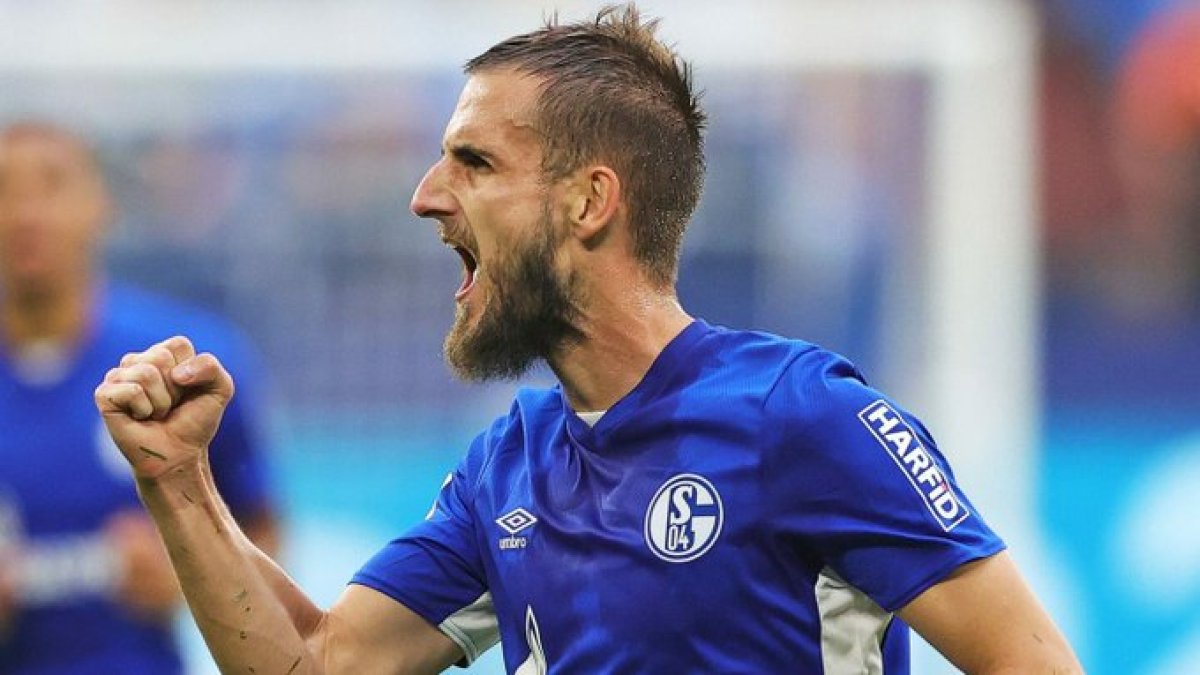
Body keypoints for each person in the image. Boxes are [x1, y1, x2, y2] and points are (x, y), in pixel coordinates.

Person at [94, 5, 1082, 673]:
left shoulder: (801, 417)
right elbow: (315, 663)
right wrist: (177, 480)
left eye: (474, 163)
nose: (427, 198)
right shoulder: (507, 466)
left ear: (588, 200)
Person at [0, 122, 280, 673]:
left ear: (102, 206)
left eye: (52, 185)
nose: (26, 213)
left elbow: (263, 529)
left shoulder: (181, 361)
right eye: (4, 190)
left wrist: (190, 575)